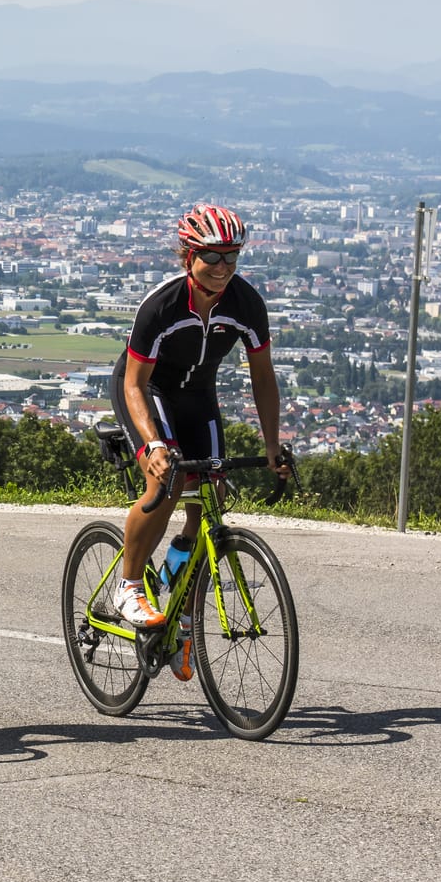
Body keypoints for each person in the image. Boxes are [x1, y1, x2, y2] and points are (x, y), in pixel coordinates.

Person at [109, 204, 289, 679]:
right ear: (188, 256)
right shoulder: (163, 305)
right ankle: (128, 585)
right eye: (212, 255)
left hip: (196, 395)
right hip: (145, 390)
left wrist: (272, 445)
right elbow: (133, 384)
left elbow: (263, 379)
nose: (224, 265)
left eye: (232, 255)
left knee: (214, 491)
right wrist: (152, 445)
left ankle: (180, 593)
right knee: (166, 483)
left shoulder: (246, 304)